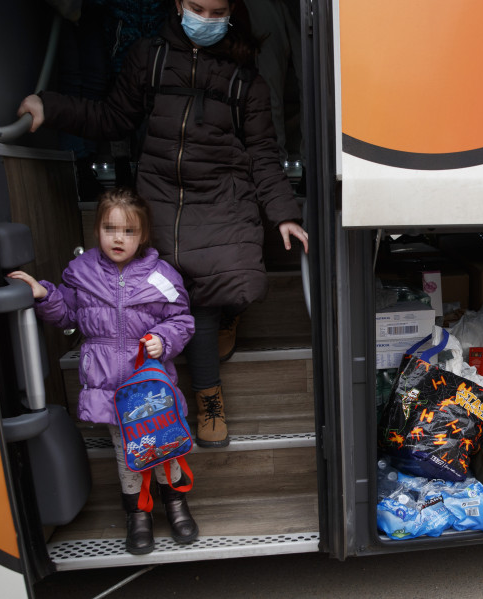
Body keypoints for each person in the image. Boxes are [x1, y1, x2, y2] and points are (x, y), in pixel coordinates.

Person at [17, 0, 309, 449]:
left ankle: (225, 329)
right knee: (184, 291)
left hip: (221, 196)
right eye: (197, 8)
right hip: (160, 196)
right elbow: (112, 117)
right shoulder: (148, 57)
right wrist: (50, 107)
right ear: (177, 4)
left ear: (231, 12)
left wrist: (285, 214)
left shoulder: (245, 80)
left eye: (216, 12)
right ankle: (209, 395)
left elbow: (263, 156)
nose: (205, 19)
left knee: (228, 284)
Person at [8, 188, 196, 555]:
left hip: (148, 385)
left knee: (164, 446)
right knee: (126, 452)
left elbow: (182, 319)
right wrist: (45, 295)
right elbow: (67, 315)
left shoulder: (161, 275)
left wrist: (163, 337)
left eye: (128, 231)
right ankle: (137, 514)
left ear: (143, 235)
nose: (118, 238)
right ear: (97, 230)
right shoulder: (82, 273)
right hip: (108, 383)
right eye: (110, 228)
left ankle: (175, 503)